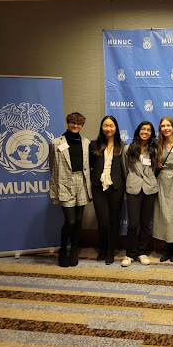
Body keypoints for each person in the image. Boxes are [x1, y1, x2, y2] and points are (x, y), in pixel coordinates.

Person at [49, 112, 92, 267]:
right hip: (64, 183)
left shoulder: (86, 142)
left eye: (79, 124)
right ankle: (62, 249)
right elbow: (52, 165)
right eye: (73, 123)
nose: (76, 126)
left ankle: (74, 249)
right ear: (68, 123)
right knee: (70, 220)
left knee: (79, 220)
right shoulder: (56, 143)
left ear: (82, 126)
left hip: (82, 181)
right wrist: (56, 185)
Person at [121, 121, 158, 267]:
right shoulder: (128, 149)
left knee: (145, 223)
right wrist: (132, 180)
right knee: (133, 224)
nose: (146, 132)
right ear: (138, 131)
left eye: (149, 130)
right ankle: (130, 254)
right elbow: (125, 169)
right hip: (133, 188)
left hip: (149, 189)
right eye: (143, 129)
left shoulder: (154, 149)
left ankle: (142, 252)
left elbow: (155, 169)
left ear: (151, 133)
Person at [89, 116, 125, 265]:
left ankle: (110, 250)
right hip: (98, 187)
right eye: (105, 125)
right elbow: (89, 166)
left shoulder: (122, 146)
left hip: (116, 187)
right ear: (101, 127)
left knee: (114, 220)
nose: (108, 128)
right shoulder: (93, 145)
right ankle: (103, 248)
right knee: (103, 221)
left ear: (115, 128)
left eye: (111, 126)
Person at [153, 116, 173, 262]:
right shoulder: (158, 144)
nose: (166, 128)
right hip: (162, 182)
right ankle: (168, 249)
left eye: (168, 126)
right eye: (163, 126)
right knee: (164, 216)